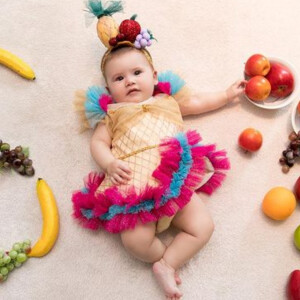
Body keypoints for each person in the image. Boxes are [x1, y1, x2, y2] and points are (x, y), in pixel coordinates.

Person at [72, 2, 246, 299]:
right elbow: (97, 143)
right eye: (119, 78)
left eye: (137, 72)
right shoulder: (113, 114)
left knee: (203, 227)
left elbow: (199, 102)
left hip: (173, 180)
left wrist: (226, 95)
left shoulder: (168, 100)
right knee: (134, 243)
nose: (129, 81)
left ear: (154, 76)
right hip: (135, 187)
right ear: (108, 89)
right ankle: (160, 254)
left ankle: (167, 264)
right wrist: (110, 162)